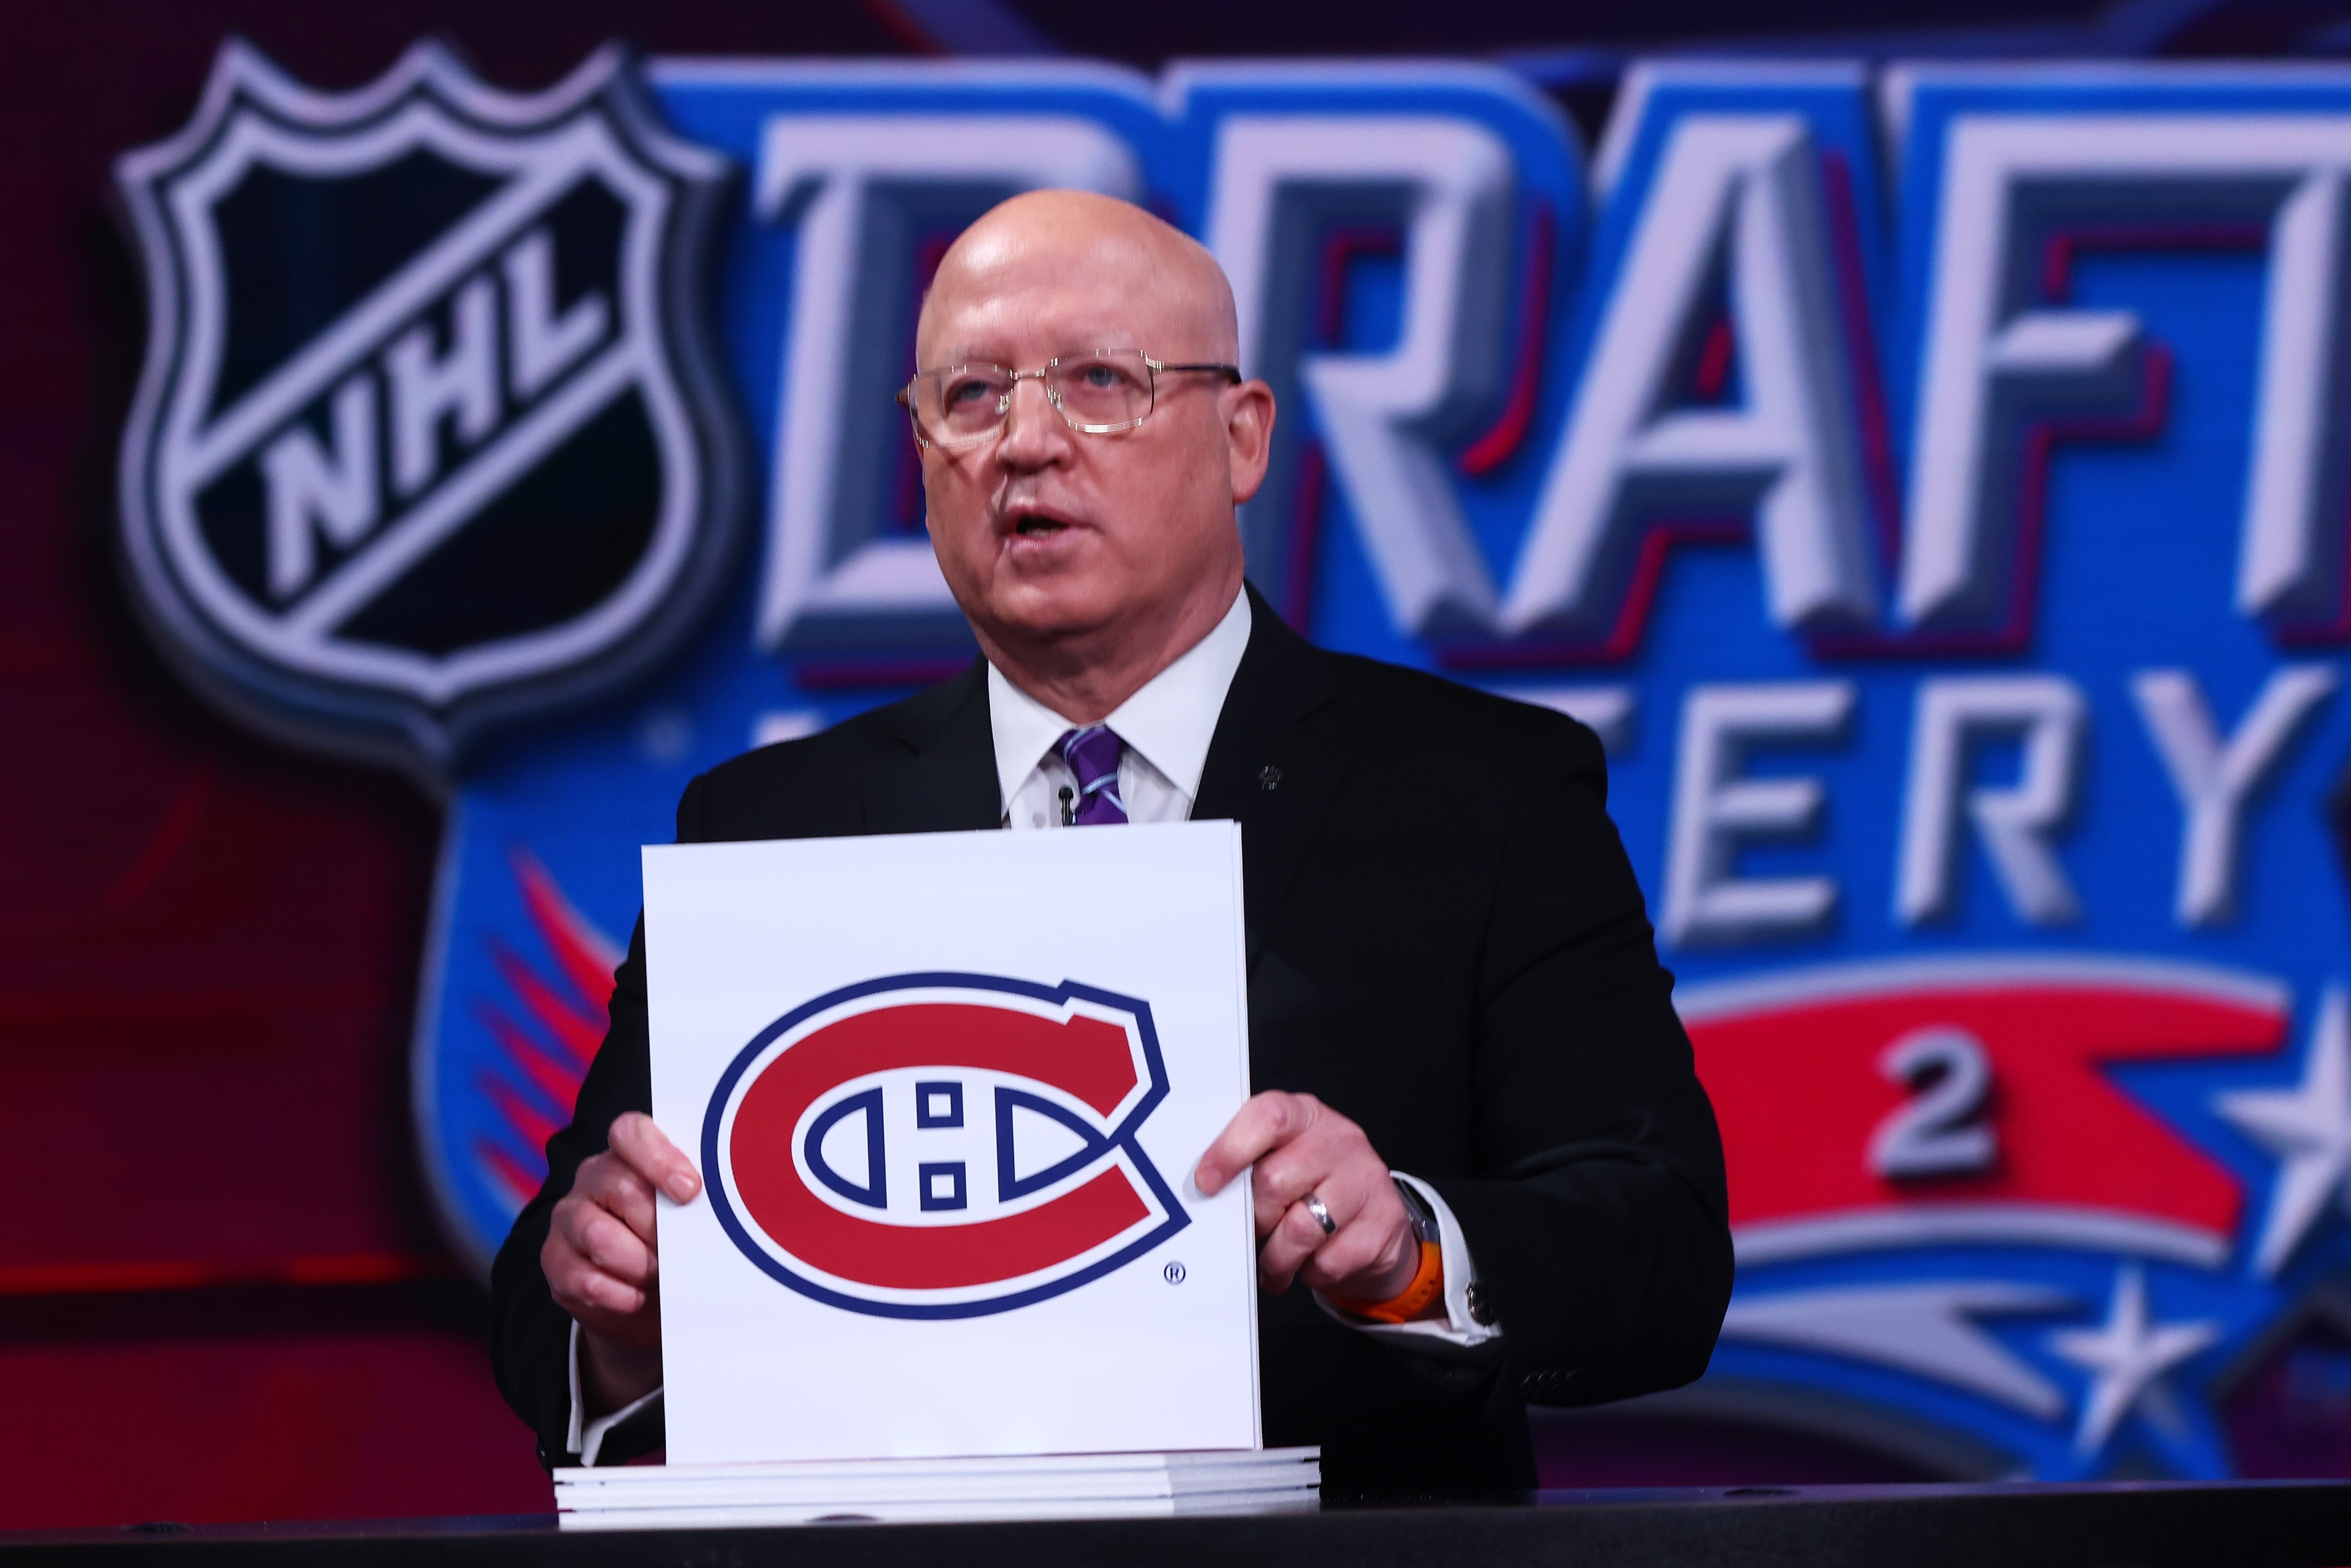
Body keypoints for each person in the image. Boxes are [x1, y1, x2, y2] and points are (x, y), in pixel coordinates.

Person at [490, 189, 1732, 1499]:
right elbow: (542, 1314)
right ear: (920, 456)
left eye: (1100, 383)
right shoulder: (768, 828)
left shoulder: (1481, 793)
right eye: (972, 397)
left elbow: (1659, 1253)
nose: (1027, 444)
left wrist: (1408, 1251)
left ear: (1242, 439)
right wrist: (622, 1326)